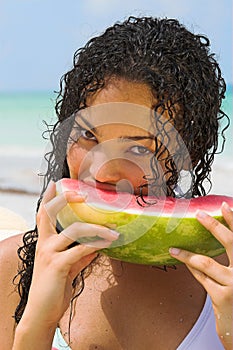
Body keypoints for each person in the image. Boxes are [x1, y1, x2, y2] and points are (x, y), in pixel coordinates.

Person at [0, 16, 232, 350]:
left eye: (139, 148)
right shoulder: (13, 268)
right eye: (88, 136)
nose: (103, 171)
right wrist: (37, 322)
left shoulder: (226, 272)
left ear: (189, 153)